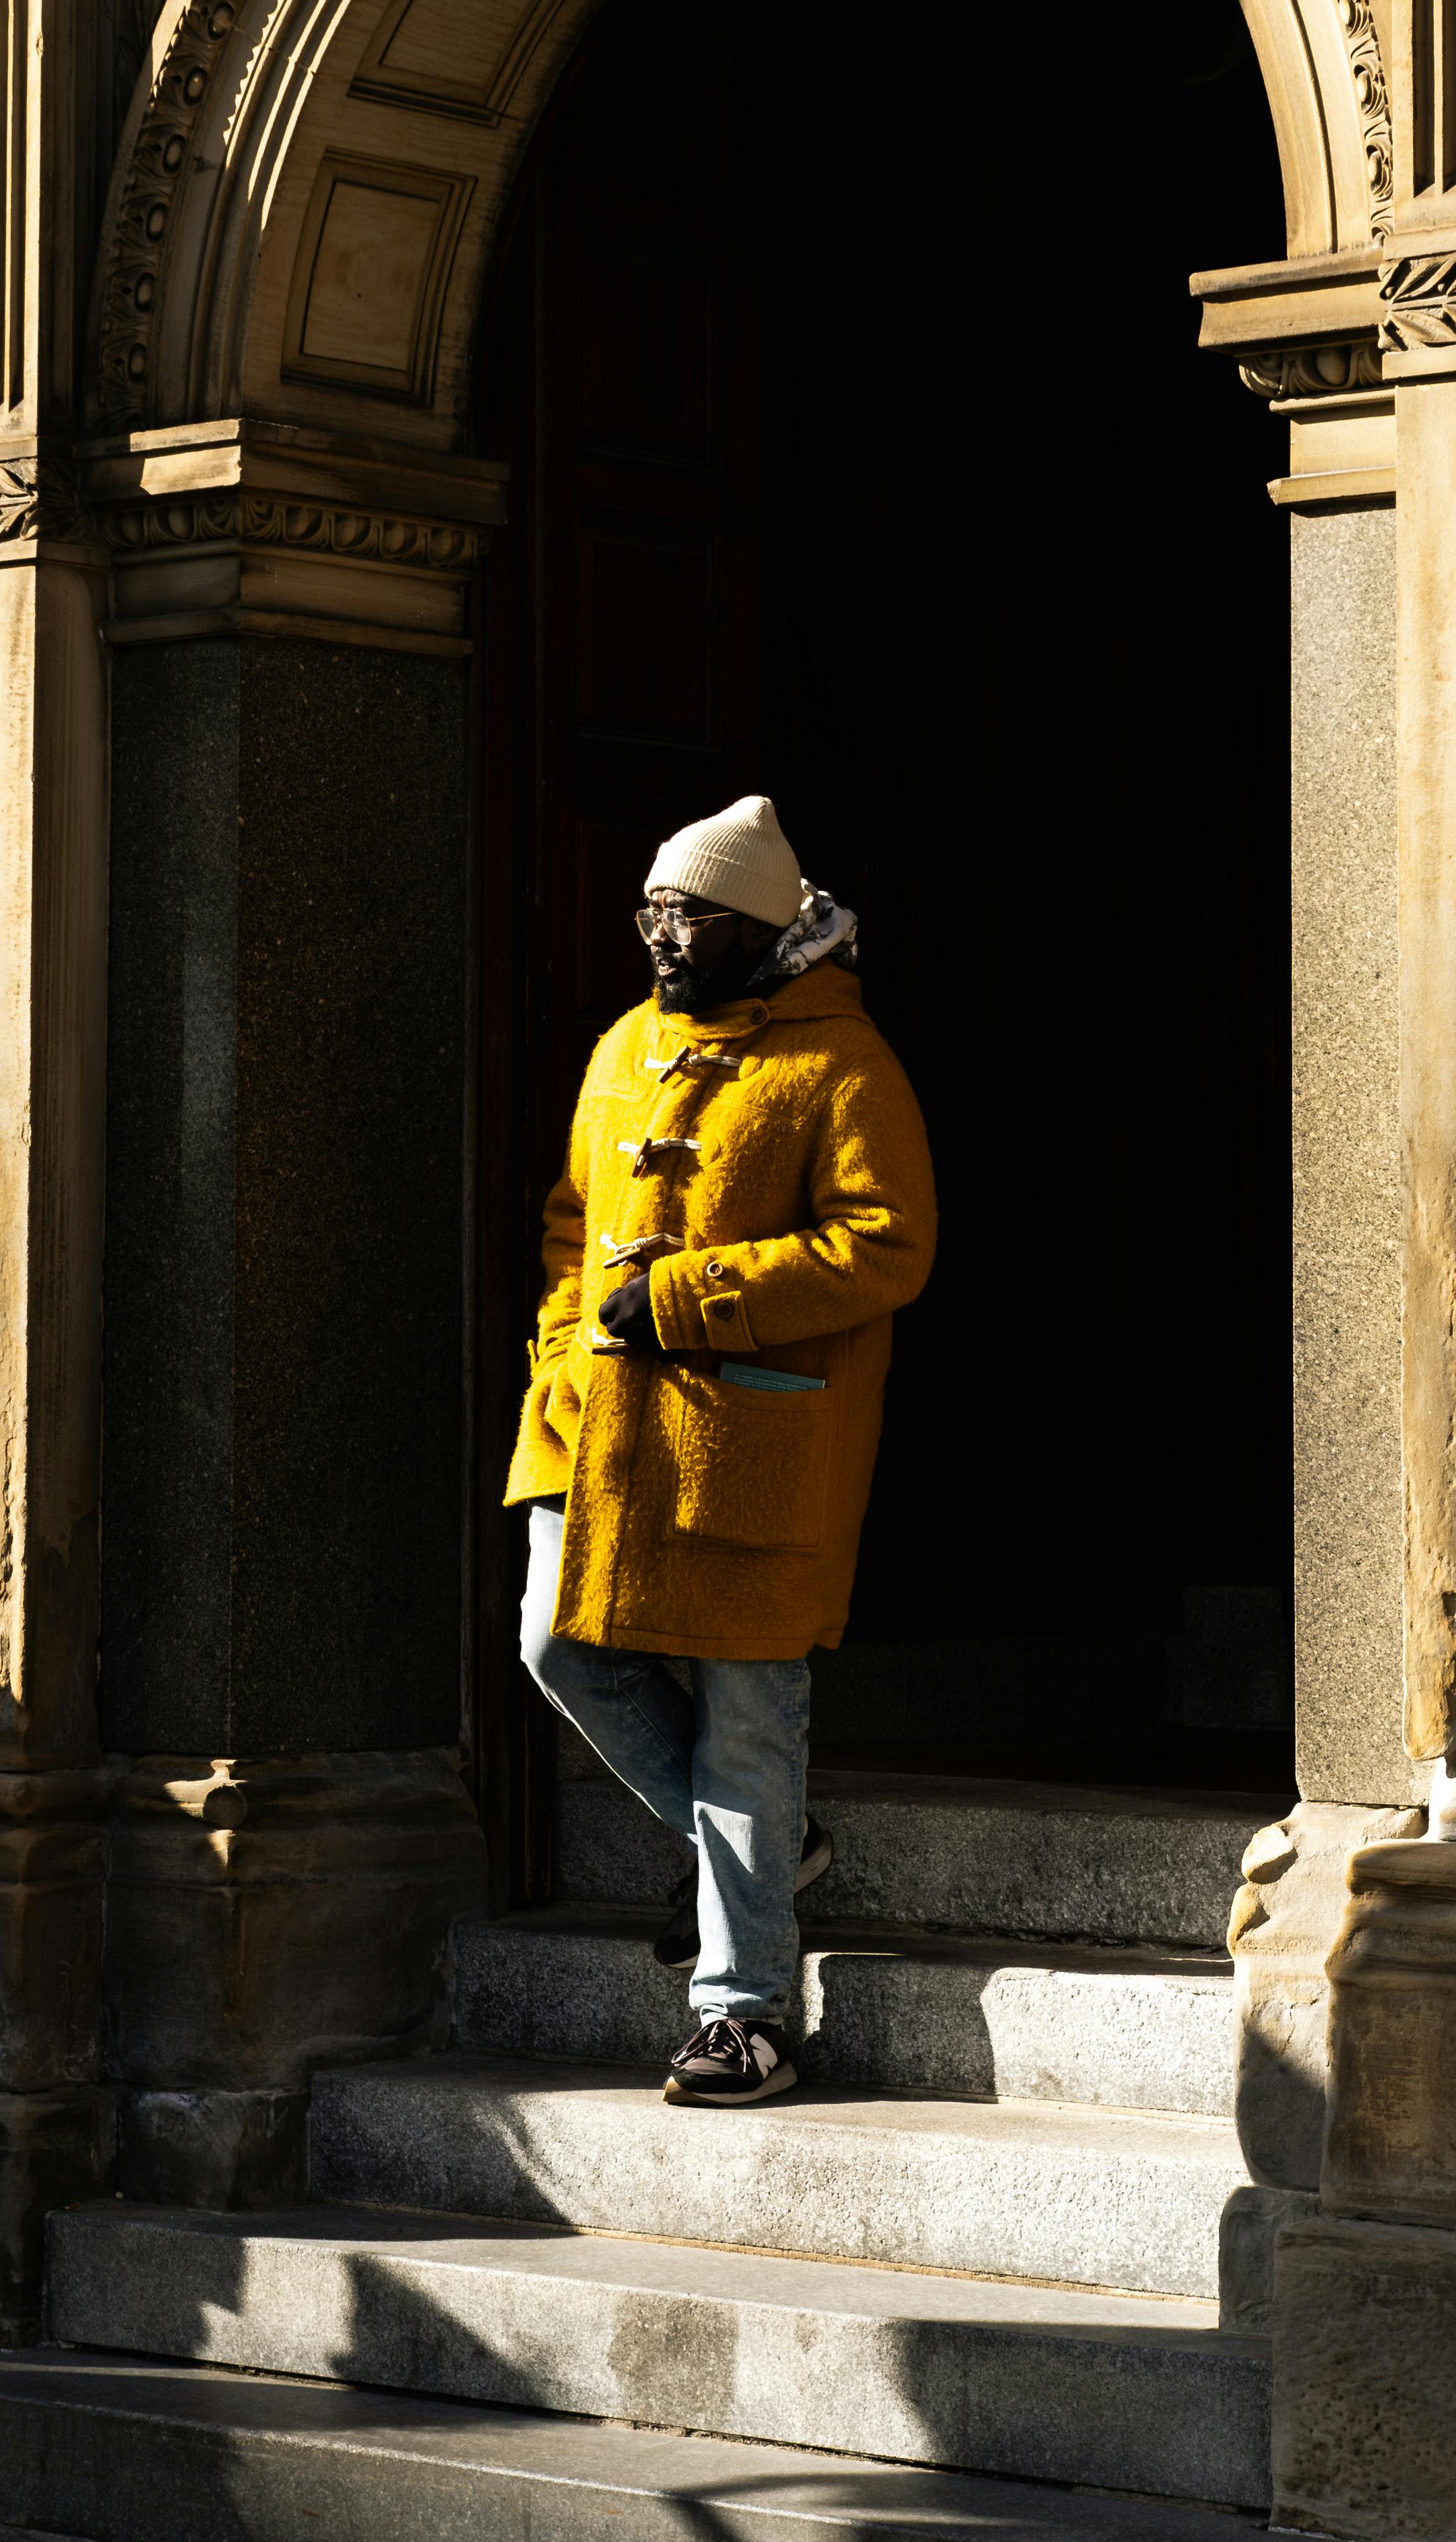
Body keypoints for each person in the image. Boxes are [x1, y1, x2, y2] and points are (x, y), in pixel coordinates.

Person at [506, 794, 936, 2105]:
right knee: (550, 1639)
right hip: (593, 1426)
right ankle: (763, 1846)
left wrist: (691, 1297)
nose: (660, 934)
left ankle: (743, 2014)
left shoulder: (840, 1063)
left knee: (749, 1717)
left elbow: (887, 1242)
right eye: (650, 909)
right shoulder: (620, 1048)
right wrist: (565, 1347)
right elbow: (572, 1224)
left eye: (688, 912)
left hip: (755, 1442)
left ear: (762, 924)